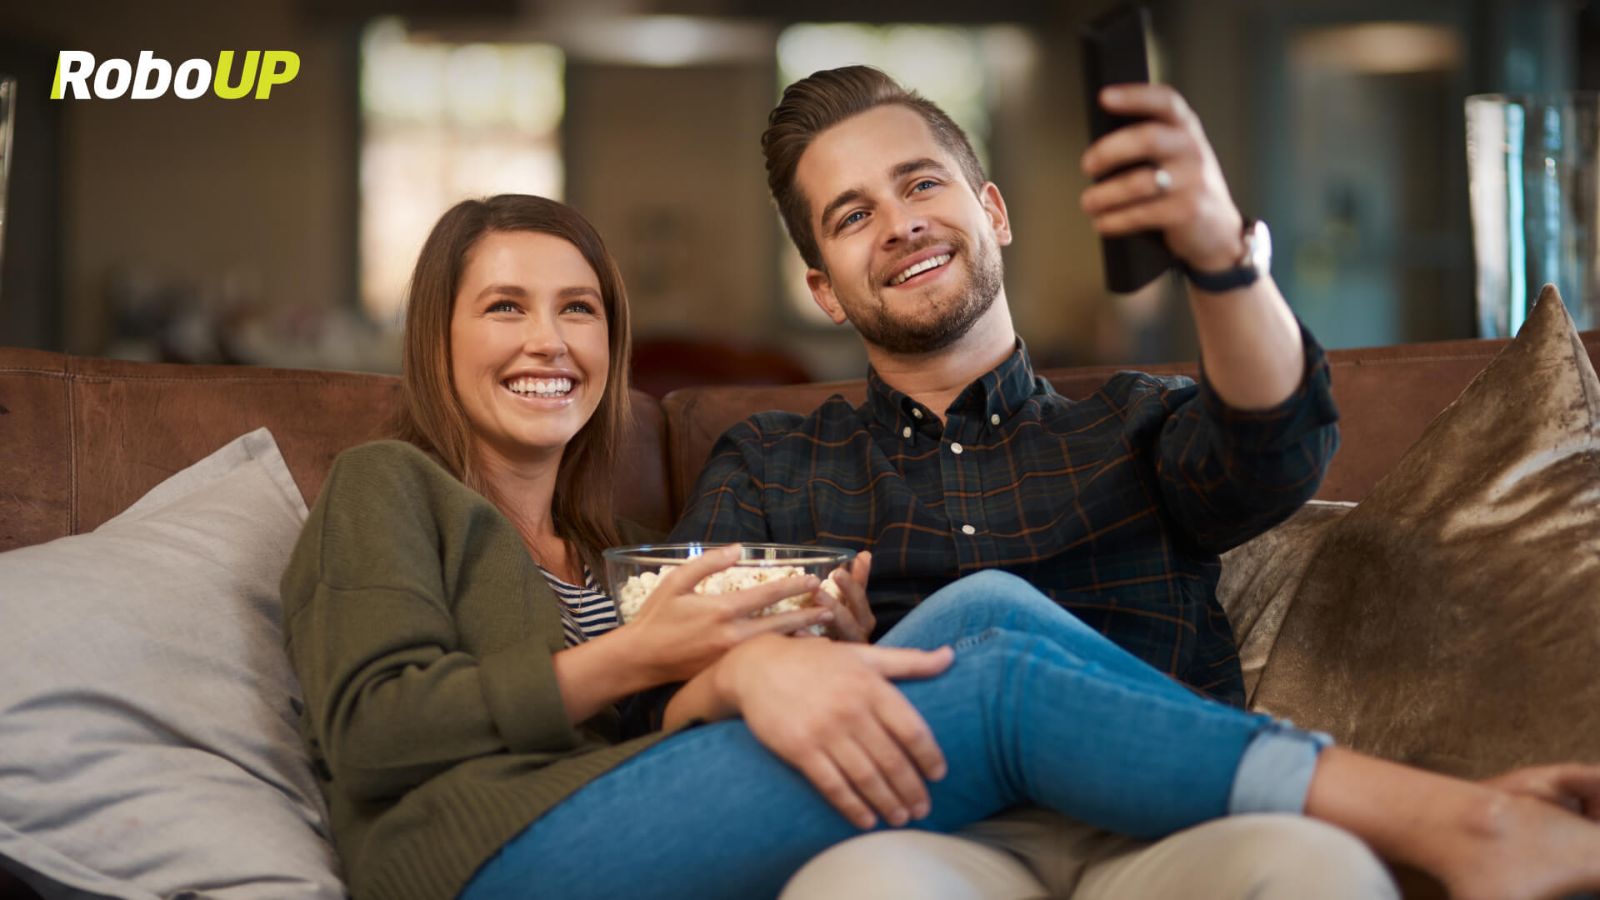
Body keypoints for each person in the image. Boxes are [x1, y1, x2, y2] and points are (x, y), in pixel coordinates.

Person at [281, 193, 1600, 900]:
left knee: (986, 607)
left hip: (605, 824)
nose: (548, 341)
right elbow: (380, 729)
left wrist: (770, 656)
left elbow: (642, 758)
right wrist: (655, 661)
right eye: (503, 306)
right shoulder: (386, 485)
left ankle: (1356, 794)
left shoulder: (596, 549)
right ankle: (1463, 825)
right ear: (436, 341)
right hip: (471, 867)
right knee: (997, 686)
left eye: (578, 309)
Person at [653, 65, 1450, 898]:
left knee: (1324, 869)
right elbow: (666, 683)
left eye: (920, 183)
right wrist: (813, 661)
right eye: (853, 217)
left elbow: (1276, 451)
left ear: (993, 213)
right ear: (825, 291)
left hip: (1164, 825)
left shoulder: (1135, 422)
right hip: (929, 834)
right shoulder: (770, 463)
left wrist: (1220, 257)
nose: (900, 225)